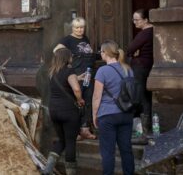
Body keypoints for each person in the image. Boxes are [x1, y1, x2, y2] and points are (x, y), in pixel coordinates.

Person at [92, 41, 135, 175]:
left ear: (105, 53)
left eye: (101, 52)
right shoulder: (128, 69)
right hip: (126, 114)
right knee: (126, 149)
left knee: (108, 152)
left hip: (107, 115)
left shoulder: (102, 71)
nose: (100, 54)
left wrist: (94, 115)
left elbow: (97, 96)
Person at [54, 17, 98, 140]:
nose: (79, 30)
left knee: (87, 101)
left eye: (82, 27)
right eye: (77, 27)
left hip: (88, 76)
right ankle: (74, 131)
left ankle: (85, 129)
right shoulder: (67, 39)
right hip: (76, 76)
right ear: (72, 28)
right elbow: (56, 51)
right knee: (75, 103)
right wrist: (67, 65)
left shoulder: (85, 39)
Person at [43, 48, 84, 175]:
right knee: (71, 141)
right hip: (68, 111)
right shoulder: (69, 71)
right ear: (67, 58)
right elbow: (76, 89)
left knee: (62, 140)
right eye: (71, 56)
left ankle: (48, 169)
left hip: (54, 110)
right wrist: (80, 100)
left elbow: (63, 80)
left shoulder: (52, 72)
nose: (72, 58)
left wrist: (77, 77)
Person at [127, 9, 154, 138]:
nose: (134, 22)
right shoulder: (153, 31)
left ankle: (146, 131)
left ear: (146, 20)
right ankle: (145, 130)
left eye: (137, 20)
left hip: (140, 67)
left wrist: (134, 53)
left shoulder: (144, 33)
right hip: (146, 66)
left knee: (142, 96)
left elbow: (130, 48)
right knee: (144, 95)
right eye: (134, 19)